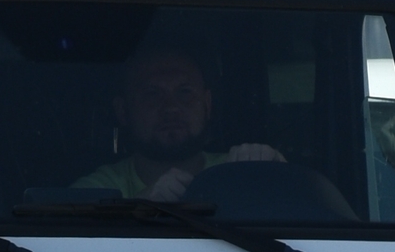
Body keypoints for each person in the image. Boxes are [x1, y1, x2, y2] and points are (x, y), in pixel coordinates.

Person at [75, 41, 280, 202]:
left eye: (184, 92)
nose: (171, 107)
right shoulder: (99, 189)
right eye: (152, 94)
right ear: (122, 110)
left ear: (207, 104)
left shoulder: (240, 169)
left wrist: (276, 171)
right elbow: (70, 239)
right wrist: (140, 206)